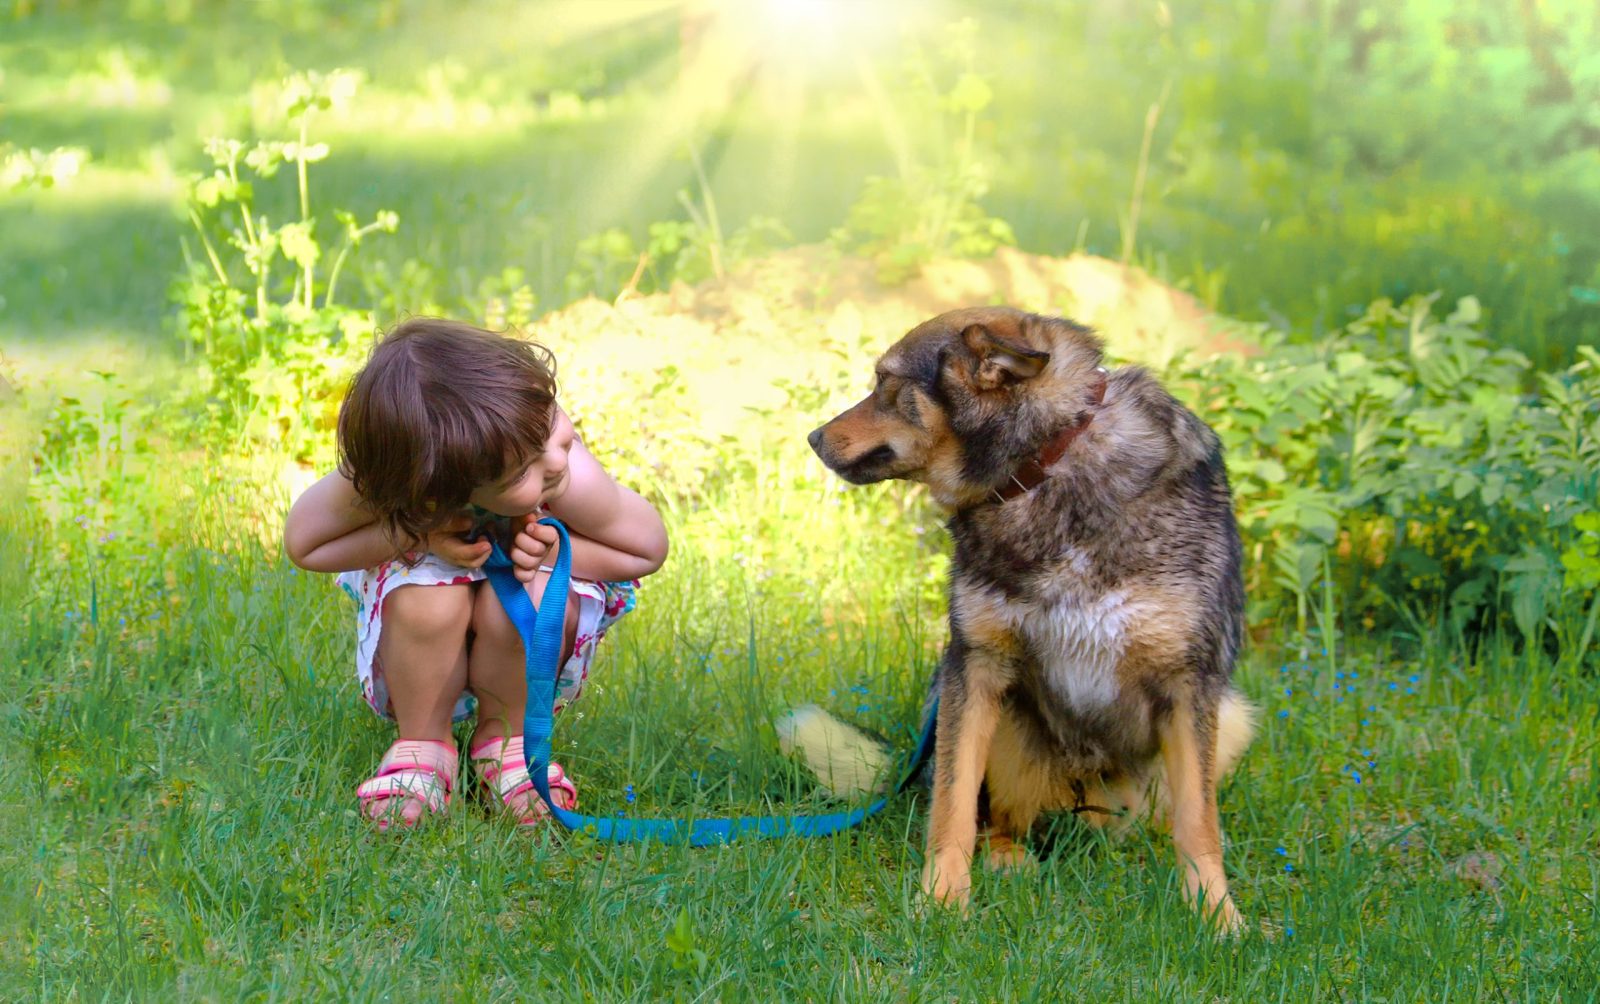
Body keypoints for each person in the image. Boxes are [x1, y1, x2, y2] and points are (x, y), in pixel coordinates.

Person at [284, 318, 668, 829]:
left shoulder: (554, 460)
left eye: (551, 427)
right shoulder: (409, 459)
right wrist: (415, 537)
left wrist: (553, 553)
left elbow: (645, 548)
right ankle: (422, 744)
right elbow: (305, 543)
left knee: (529, 596)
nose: (556, 458)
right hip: (426, 608)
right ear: (434, 484)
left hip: (523, 609)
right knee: (427, 593)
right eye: (522, 471)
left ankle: (505, 743)